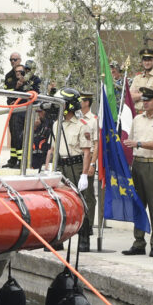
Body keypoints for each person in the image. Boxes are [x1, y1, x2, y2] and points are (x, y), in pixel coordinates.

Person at [123, 86, 153, 257]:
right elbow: (129, 141)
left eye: (148, 100)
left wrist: (139, 144)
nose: (144, 103)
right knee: (138, 204)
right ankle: (138, 241)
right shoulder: (137, 119)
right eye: (143, 100)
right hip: (138, 163)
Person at [49, 88, 96, 251]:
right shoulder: (57, 124)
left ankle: (84, 239)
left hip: (75, 166)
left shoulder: (82, 125)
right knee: (57, 203)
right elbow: (53, 148)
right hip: (60, 166)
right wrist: (48, 166)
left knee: (80, 203)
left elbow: (86, 152)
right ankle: (57, 240)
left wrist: (84, 174)